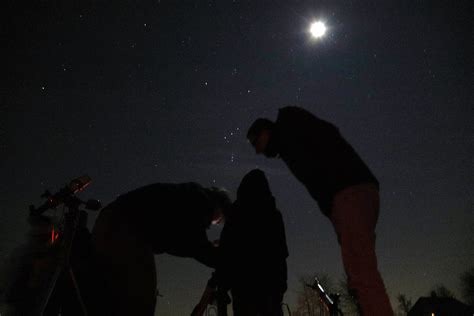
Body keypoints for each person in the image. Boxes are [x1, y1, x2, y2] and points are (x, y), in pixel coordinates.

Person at [247, 106, 394, 316]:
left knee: (362, 275)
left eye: (256, 142)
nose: (257, 151)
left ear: (266, 131)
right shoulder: (291, 136)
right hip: (357, 193)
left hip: (348, 193)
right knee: (359, 273)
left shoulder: (290, 131)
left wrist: (333, 203)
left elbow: (320, 161)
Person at [91, 182, 231, 316]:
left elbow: (185, 242)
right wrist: (226, 258)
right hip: (125, 227)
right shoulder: (200, 200)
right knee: (142, 297)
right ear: (219, 204)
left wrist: (209, 248)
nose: (214, 223)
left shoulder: (190, 194)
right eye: (218, 220)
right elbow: (196, 246)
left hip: (109, 221)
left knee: (116, 295)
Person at [193, 169, 288, 316]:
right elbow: (281, 253)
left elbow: (227, 256)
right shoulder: (274, 216)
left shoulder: (236, 216)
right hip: (272, 292)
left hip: (245, 293)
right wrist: (280, 288)